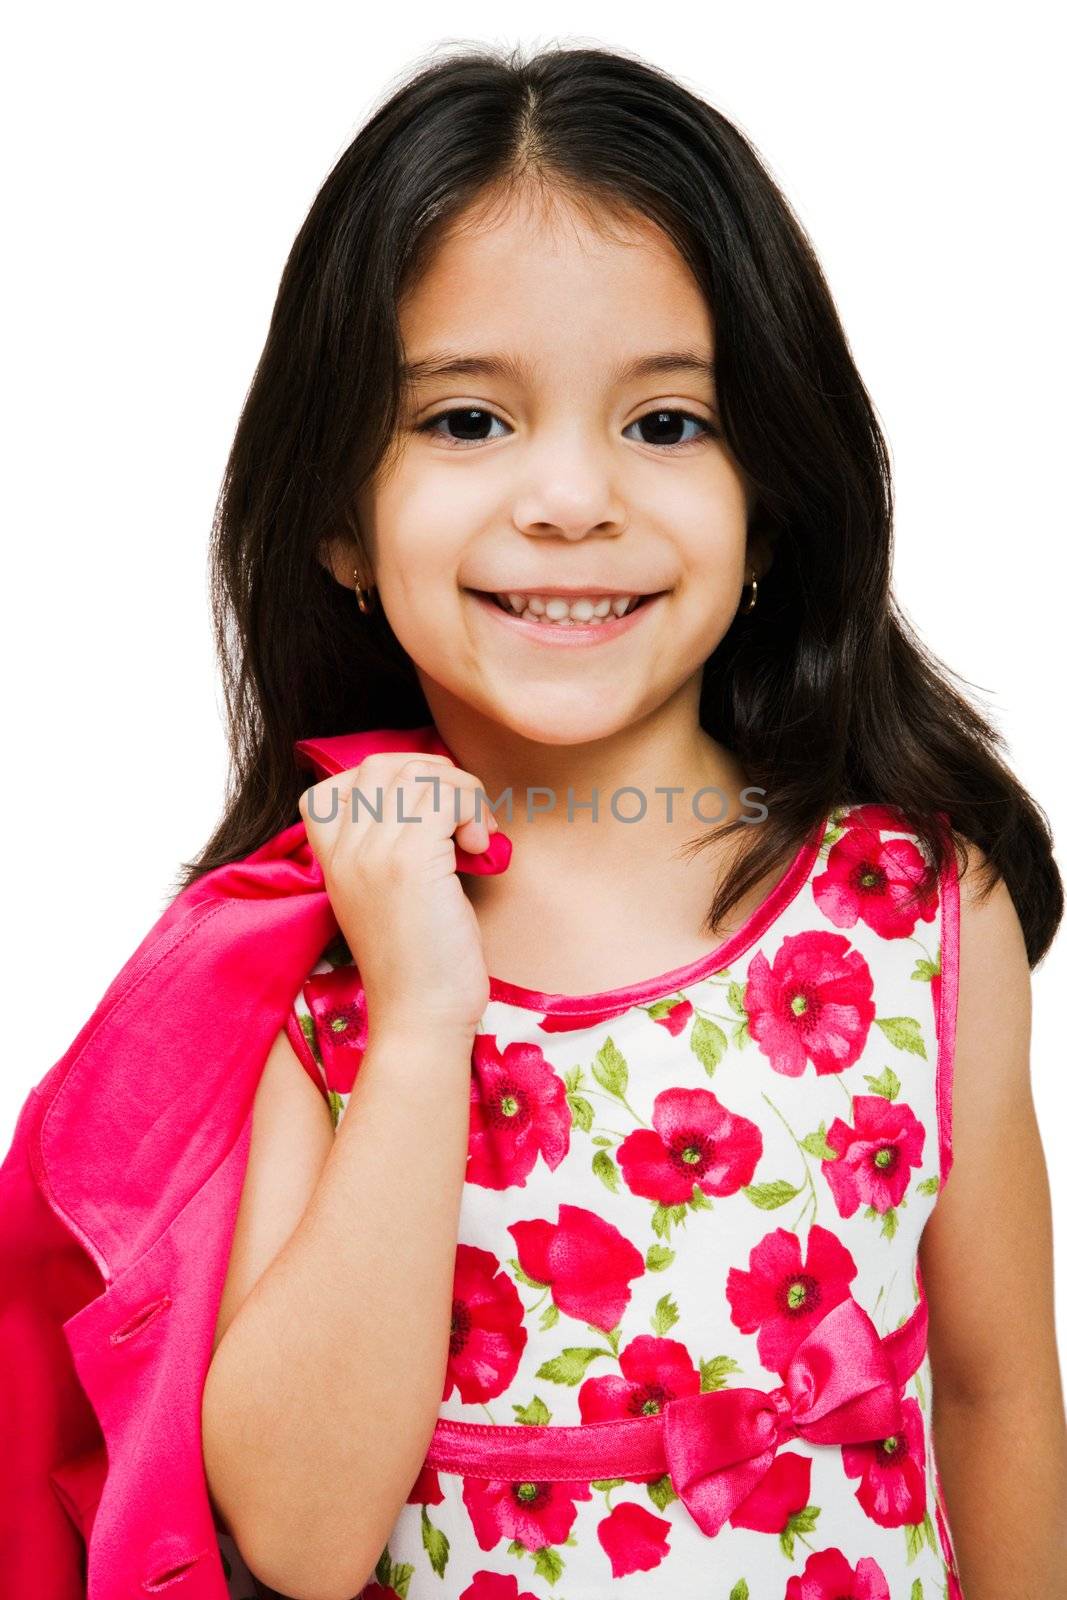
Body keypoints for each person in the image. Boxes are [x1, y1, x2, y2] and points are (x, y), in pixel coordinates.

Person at [3, 40, 1065, 1600]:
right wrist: (426, 1006)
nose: (571, 499)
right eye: (464, 421)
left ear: (772, 498)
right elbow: (297, 1537)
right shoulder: (320, 969)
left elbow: (994, 1394)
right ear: (335, 522)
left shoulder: (908, 908)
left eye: (666, 424)